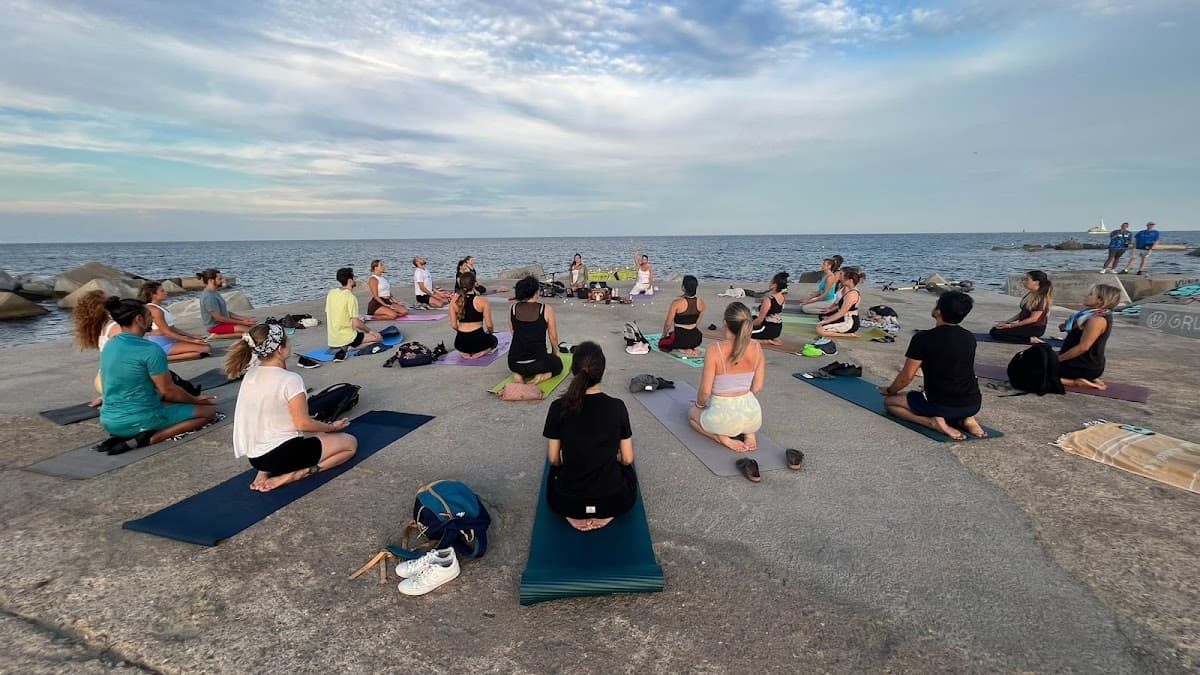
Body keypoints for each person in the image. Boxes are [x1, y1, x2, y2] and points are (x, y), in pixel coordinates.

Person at [225, 323, 357, 492]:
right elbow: (303, 424)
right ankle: (295, 474)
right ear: (280, 349)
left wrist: (323, 429)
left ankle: (264, 473)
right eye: (288, 341)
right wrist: (332, 427)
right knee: (350, 444)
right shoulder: (290, 379)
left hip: (256, 458)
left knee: (320, 433)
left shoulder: (251, 374)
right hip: (281, 456)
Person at [542, 342, 637, 531]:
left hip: (566, 503)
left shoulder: (557, 407)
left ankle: (577, 514)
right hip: (614, 502)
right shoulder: (617, 407)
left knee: (555, 474)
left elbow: (553, 459)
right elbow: (627, 459)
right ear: (603, 371)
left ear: (573, 371)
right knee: (626, 472)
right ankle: (603, 513)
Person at [98, 297, 217, 448]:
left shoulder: (110, 344)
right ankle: (151, 438)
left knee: (169, 401)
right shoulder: (150, 350)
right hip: (138, 420)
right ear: (139, 319)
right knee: (208, 411)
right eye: (149, 316)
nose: (152, 320)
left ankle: (136, 431)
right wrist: (196, 399)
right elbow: (168, 390)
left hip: (109, 421)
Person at [880, 291, 985, 441]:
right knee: (956, 392)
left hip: (942, 404)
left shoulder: (923, 338)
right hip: (973, 403)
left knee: (890, 404)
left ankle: (932, 422)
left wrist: (890, 390)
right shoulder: (969, 337)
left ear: (938, 311)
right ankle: (967, 419)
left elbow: (906, 377)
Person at [688, 302, 765, 453]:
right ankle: (749, 435)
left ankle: (722, 438)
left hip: (723, 419)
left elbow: (705, 391)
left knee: (691, 415)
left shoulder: (714, 350)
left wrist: (700, 405)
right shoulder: (757, 347)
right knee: (743, 414)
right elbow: (757, 387)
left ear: (725, 323)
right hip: (753, 416)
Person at [1034, 284, 1120, 390]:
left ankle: (1076, 382)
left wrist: (1058, 359)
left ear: (1100, 301)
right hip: (1077, 360)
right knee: (1033, 358)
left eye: (1091, 294)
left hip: (1082, 365)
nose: (1086, 296)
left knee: (1029, 373)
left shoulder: (1097, 320)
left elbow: (1083, 347)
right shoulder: (1088, 314)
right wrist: (1067, 327)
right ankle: (1089, 378)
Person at [73, 289, 124, 406]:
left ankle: (107, 396)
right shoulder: (115, 327)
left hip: (101, 379)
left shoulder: (102, 327)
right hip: (113, 382)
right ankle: (111, 396)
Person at [137, 281, 212, 361]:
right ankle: (163, 357)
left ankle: (165, 356)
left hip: (170, 340)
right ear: (153, 295)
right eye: (162, 291)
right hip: (162, 343)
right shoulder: (154, 310)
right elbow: (167, 332)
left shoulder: (159, 308)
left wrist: (191, 336)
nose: (166, 292)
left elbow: (172, 328)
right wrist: (192, 340)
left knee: (206, 346)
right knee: (205, 348)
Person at [508, 276, 562, 384]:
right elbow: (553, 336)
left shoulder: (513, 308)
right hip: (538, 362)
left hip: (514, 362)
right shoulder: (546, 309)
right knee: (558, 365)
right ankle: (541, 376)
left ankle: (519, 375)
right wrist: (555, 354)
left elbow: (514, 332)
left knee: (525, 365)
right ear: (536, 292)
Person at [989, 270, 1053, 343]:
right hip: (1025, 325)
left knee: (997, 334)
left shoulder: (1041, 298)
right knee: (995, 329)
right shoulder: (1030, 294)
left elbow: (1033, 319)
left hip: (1034, 328)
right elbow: (1023, 312)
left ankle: (1030, 340)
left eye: (1027, 279)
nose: (1024, 281)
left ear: (1036, 282)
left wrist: (1011, 326)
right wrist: (1007, 322)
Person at [326, 267, 382, 351]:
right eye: (354, 277)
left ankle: (347, 345)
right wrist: (371, 331)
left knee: (362, 335)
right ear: (350, 280)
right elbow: (356, 324)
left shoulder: (331, 293)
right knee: (379, 338)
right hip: (347, 338)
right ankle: (350, 348)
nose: (355, 279)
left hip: (332, 340)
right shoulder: (351, 297)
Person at [450, 271, 498, 358]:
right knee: (494, 340)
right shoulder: (482, 301)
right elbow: (489, 326)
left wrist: (462, 332)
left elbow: (453, 325)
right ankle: (482, 352)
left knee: (465, 344)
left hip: (461, 342)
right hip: (478, 340)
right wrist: (489, 333)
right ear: (474, 284)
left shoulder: (453, 302)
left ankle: (465, 353)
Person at [198, 269, 255, 336]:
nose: (223, 280)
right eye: (220, 279)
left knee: (254, 328)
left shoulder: (214, 293)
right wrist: (242, 322)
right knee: (251, 332)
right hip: (215, 327)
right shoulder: (208, 297)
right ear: (211, 281)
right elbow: (218, 317)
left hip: (223, 323)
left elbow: (225, 312)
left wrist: (244, 318)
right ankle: (217, 335)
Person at [660, 275, 705, 356]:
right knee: (674, 335)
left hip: (681, 338)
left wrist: (663, 335)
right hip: (696, 338)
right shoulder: (701, 303)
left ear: (683, 287)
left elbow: (668, 324)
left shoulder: (676, 303)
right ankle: (691, 347)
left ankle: (684, 349)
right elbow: (697, 323)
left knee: (662, 344)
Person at [815, 267, 865, 337]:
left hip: (849, 323)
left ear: (850, 281)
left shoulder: (851, 295)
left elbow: (841, 313)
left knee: (819, 329)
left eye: (844, 278)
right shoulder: (850, 291)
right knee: (821, 323)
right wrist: (829, 318)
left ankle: (848, 335)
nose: (842, 280)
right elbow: (839, 307)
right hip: (845, 318)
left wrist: (827, 321)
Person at [750, 272, 788, 345]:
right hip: (777, 329)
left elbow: (759, 320)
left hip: (767, 329)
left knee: (741, 335)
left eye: (771, 282)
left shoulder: (768, 300)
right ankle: (773, 337)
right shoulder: (782, 297)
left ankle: (768, 341)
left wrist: (747, 326)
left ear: (775, 285)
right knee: (751, 318)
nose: (769, 283)